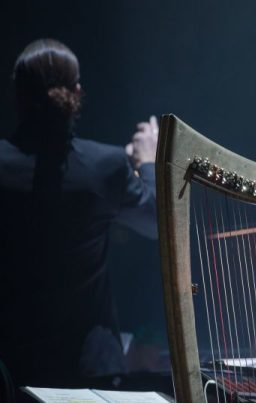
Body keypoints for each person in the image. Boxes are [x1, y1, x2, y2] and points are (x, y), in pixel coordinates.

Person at [0, 39, 158, 390]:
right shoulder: (105, 167)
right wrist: (146, 163)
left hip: (12, 367)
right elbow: (157, 223)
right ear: (77, 92)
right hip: (89, 367)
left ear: (17, 94)